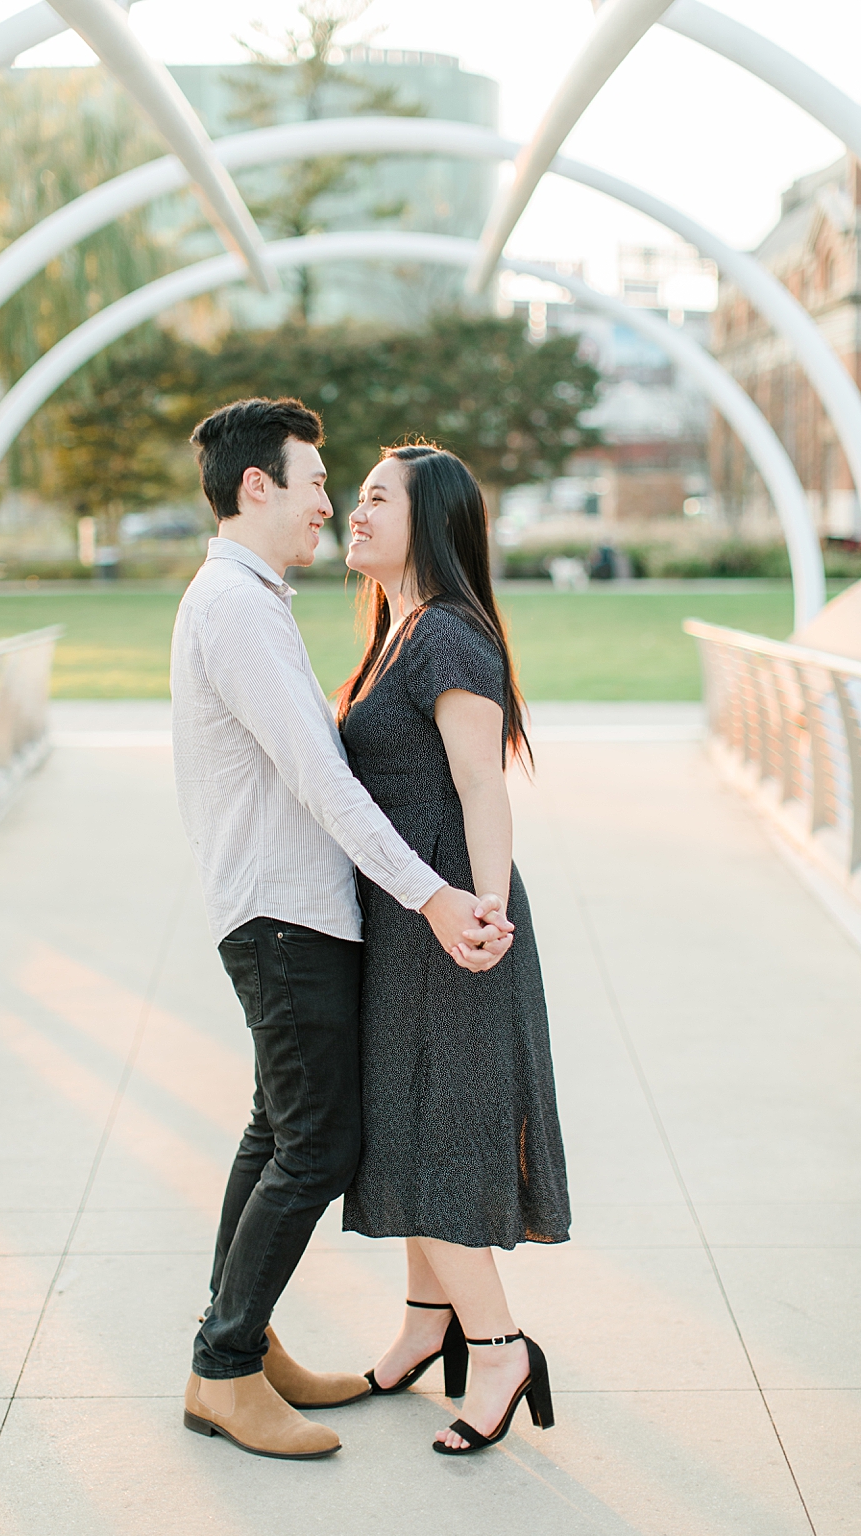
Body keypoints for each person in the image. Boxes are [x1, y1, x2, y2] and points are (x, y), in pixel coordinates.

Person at [170, 399, 514, 1463]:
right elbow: (322, 780)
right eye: (318, 483)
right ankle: (223, 1369)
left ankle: (240, 1340)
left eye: (351, 489)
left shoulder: (252, 599)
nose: (329, 504)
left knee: (280, 1131)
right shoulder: (236, 606)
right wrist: (430, 894)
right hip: (285, 913)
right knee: (314, 1142)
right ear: (256, 487)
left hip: (287, 910)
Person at [337, 443, 571, 1456]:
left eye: (375, 499)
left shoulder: (447, 641)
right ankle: (423, 1330)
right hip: (409, 920)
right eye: (353, 497)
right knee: (407, 1124)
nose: (353, 512)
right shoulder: (397, 632)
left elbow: (482, 785)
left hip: (450, 928)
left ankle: (501, 1347)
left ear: (426, 520)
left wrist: (478, 913)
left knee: (435, 1135)